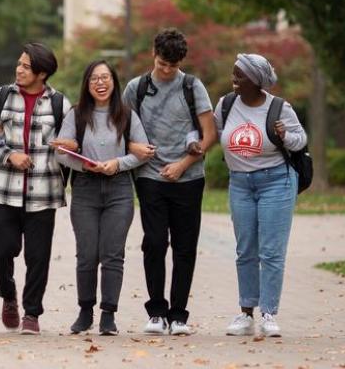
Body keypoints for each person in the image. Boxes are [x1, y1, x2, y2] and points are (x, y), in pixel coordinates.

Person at [121, 28, 217, 336]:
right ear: (154, 54)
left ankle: (178, 316)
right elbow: (124, 130)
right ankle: (156, 312)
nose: (166, 70)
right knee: (155, 242)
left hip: (188, 177)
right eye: (162, 63)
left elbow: (209, 134)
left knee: (185, 247)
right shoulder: (136, 88)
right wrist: (136, 149)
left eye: (172, 66)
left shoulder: (192, 86)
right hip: (149, 175)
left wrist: (183, 164)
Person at [0, 42, 70, 335]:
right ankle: (8, 294)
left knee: (38, 257)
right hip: (4, 191)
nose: (19, 69)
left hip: (44, 193)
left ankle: (32, 313)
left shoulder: (60, 105)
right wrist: (8, 154)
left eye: (26, 66)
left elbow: (71, 145)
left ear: (42, 73)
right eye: (19, 64)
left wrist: (67, 147)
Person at [52, 59, 151, 336]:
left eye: (105, 77)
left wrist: (118, 164)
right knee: (87, 254)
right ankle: (85, 311)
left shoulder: (127, 115)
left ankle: (109, 314)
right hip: (85, 188)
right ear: (87, 84)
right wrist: (85, 165)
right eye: (94, 78)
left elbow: (141, 153)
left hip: (119, 189)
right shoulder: (76, 114)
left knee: (112, 254)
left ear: (114, 82)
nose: (100, 83)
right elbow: (61, 151)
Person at [216, 54, 306, 338]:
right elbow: (213, 131)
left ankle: (269, 313)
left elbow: (300, 140)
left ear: (256, 81)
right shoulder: (226, 104)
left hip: (276, 182)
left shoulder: (279, 107)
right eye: (234, 73)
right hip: (240, 183)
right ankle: (245, 313)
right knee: (245, 251)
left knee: (270, 252)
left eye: (239, 75)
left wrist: (284, 136)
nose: (234, 79)